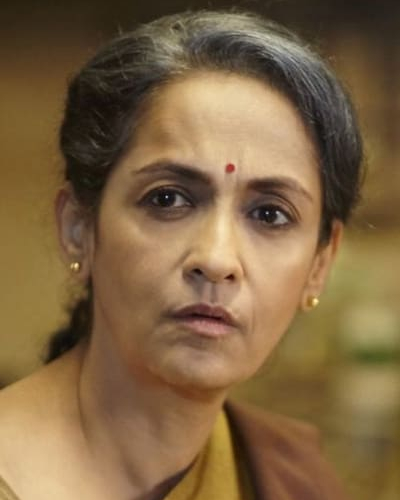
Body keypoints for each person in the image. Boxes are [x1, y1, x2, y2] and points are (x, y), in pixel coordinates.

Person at [0, 9, 363, 500]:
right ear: (79, 227)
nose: (216, 259)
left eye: (270, 214)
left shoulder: (297, 482)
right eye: (168, 199)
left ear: (320, 265)